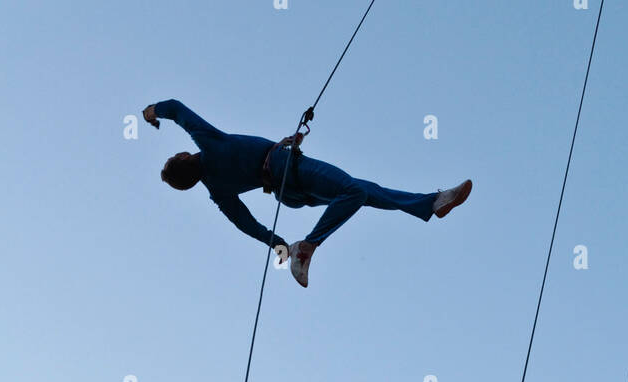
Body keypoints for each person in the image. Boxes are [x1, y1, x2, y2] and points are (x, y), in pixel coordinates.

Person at [143, 100, 472, 286]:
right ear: (184, 157)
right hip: (288, 168)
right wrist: (151, 112)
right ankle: (309, 245)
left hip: (290, 193)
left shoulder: (217, 191)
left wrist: (277, 244)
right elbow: (176, 108)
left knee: (362, 192)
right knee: (356, 191)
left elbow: (244, 223)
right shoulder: (209, 145)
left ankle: (431, 203)